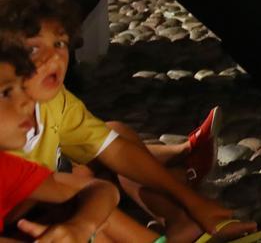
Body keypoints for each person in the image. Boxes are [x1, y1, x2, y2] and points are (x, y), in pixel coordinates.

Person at [0, 0, 256, 242]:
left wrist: (193, 203)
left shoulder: (55, 102)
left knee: (110, 148)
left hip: (38, 195)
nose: (54, 57)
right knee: (84, 208)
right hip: (27, 212)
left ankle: (180, 216)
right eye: (34, 48)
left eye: (60, 43)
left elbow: (109, 157)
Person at [0, 37, 160, 242]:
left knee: (83, 218)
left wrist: (80, 226)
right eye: (5, 93)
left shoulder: (6, 167)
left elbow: (98, 188)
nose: (26, 103)